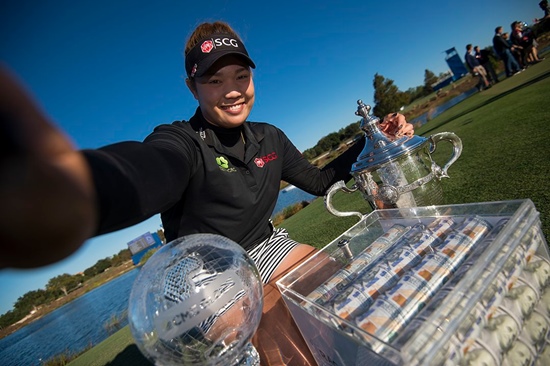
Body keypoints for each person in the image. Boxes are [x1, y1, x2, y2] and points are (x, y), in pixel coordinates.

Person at [0, 21, 413, 364]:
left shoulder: (270, 138)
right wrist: (78, 189)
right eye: (214, 80)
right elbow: (149, 169)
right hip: (201, 269)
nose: (232, 90)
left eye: (241, 76)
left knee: (336, 295)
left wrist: (373, 140)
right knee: (282, 336)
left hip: (266, 243)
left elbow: (320, 182)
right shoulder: (180, 141)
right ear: (192, 86)